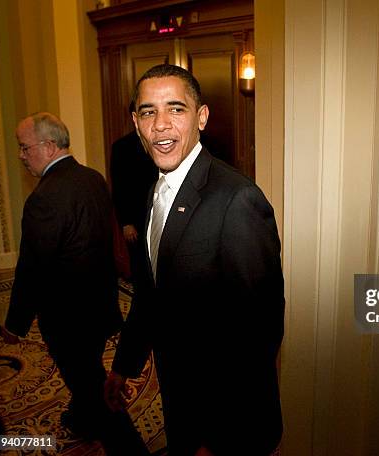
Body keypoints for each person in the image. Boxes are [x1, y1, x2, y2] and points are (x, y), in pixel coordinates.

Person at [105, 64, 285, 456]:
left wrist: (216, 439)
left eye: (176, 109)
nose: (161, 125)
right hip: (179, 399)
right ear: (136, 123)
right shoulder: (153, 189)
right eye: (149, 112)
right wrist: (124, 365)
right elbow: (152, 294)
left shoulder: (237, 200)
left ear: (201, 117)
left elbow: (258, 334)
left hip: (228, 424)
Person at [3, 112, 149, 455]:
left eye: (25, 148)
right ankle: (82, 420)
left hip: (68, 319)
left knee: (94, 392)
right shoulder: (92, 178)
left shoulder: (45, 197)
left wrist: (15, 322)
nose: (21, 156)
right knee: (88, 378)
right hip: (99, 308)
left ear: (49, 146)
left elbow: (33, 268)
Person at [110, 114, 158, 281]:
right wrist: (126, 223)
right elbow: (119, 188)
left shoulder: (159, 140)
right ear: (134, 117)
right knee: (140, 266)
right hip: (135, 220)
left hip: (159, 213)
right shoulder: (121, 147)